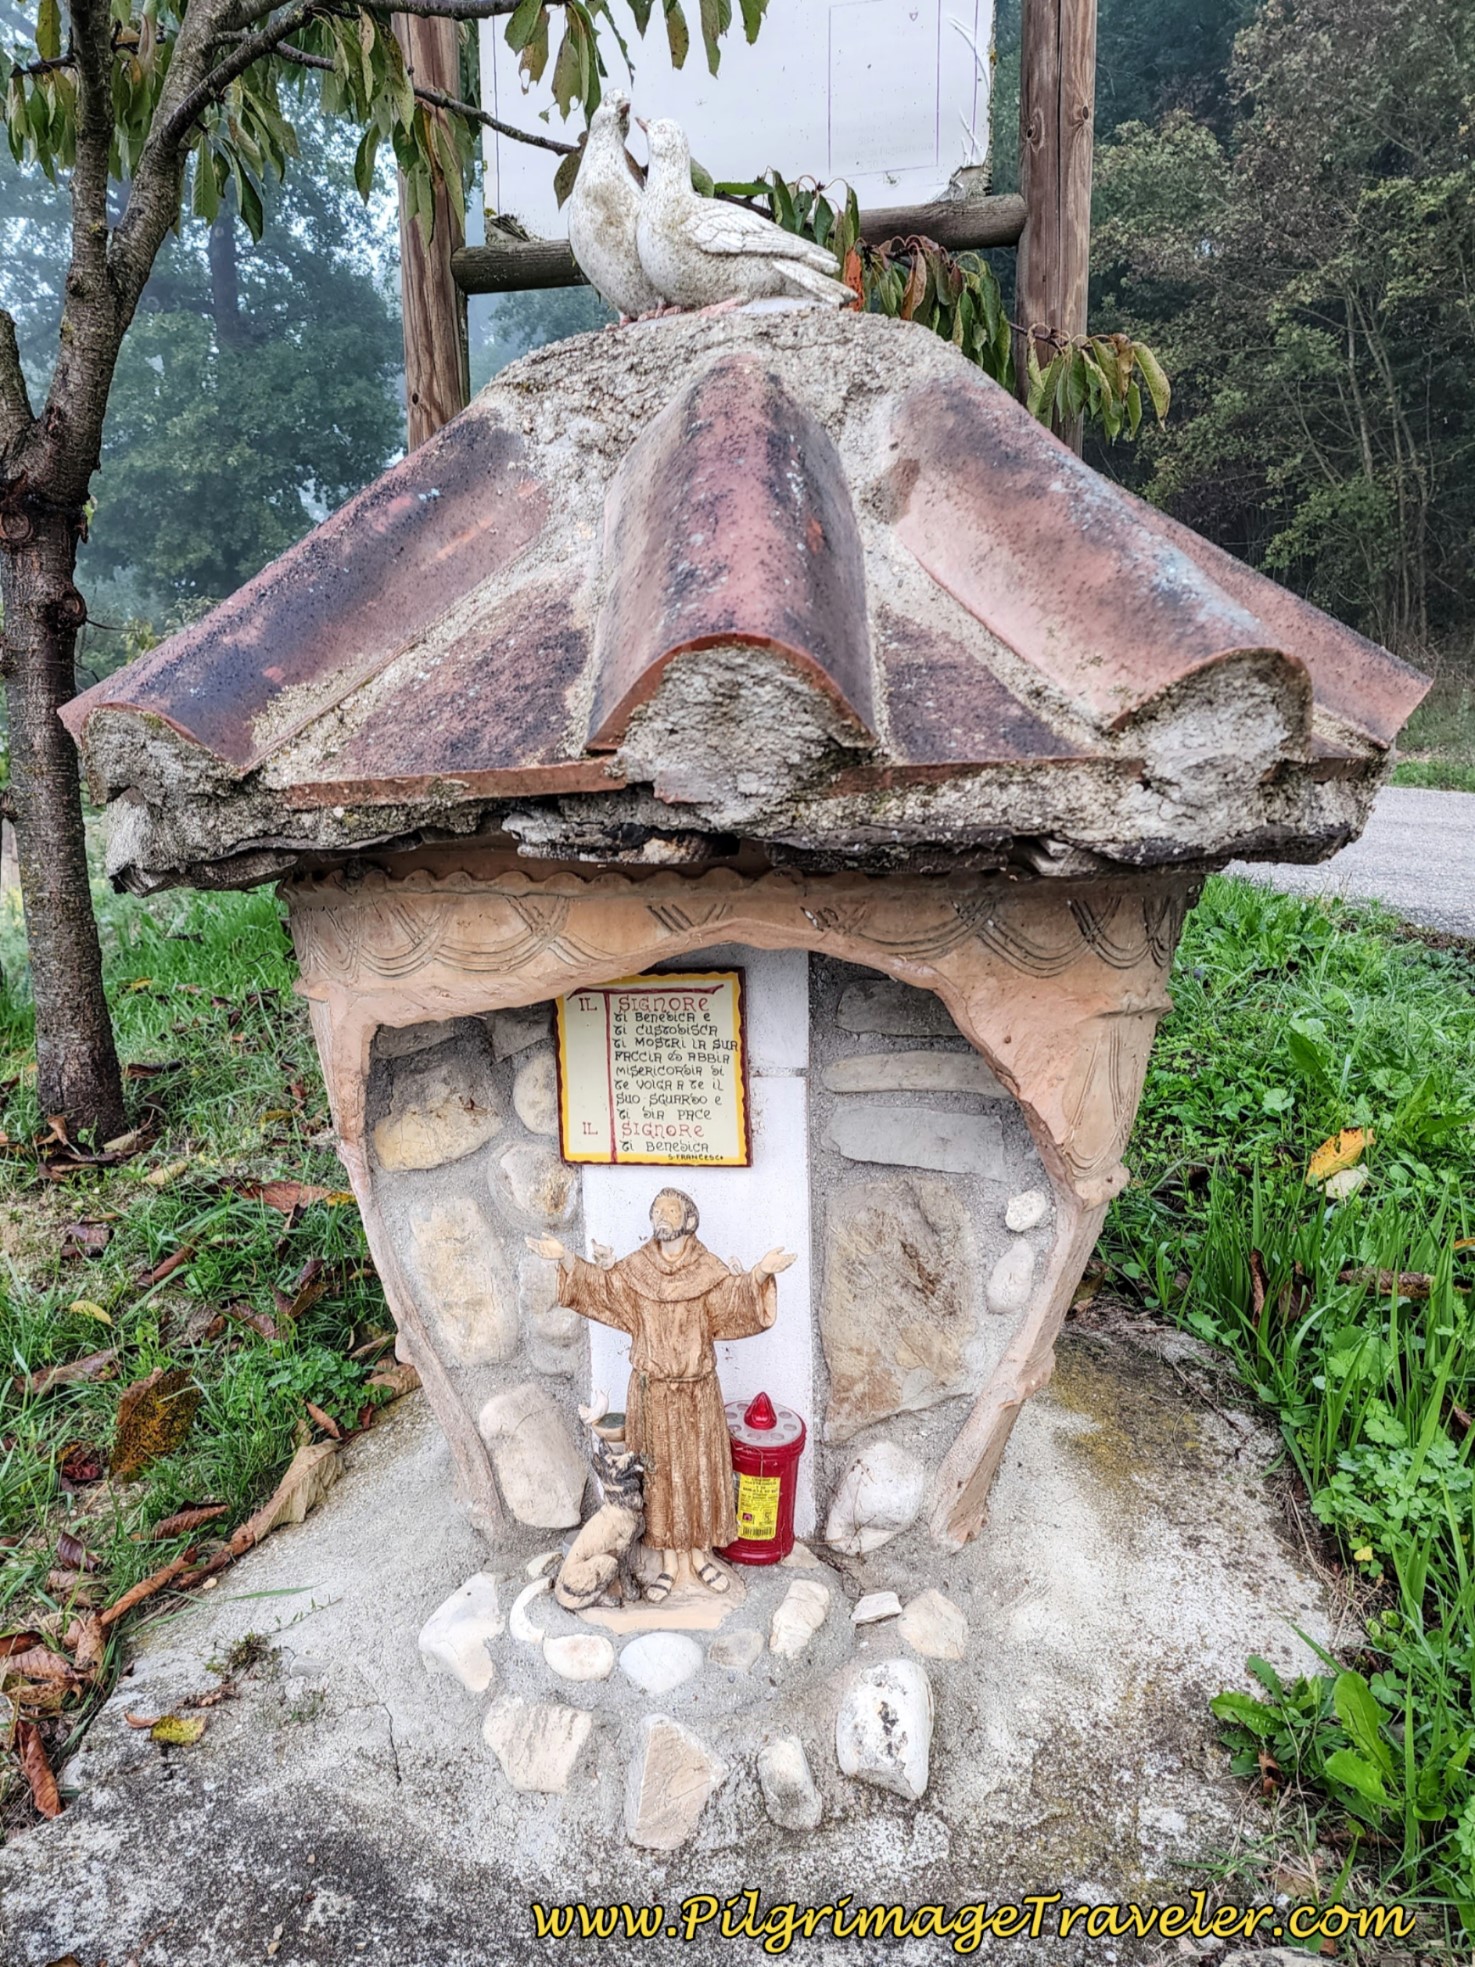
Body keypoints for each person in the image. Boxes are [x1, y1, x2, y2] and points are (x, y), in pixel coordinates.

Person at [527, 1188, 795, 1602]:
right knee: (661, 1479)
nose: (661, 1217)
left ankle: (701, 1557)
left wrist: (760, 1272)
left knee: (700, 1473)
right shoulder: (639, 1270)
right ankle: (669, 1565)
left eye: (670, 1210)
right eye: (657, 1211)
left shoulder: (707, 1271)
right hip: (652, 1394)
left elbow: (734, 1301)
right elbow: (603, 1288)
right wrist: (565, 1258)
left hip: (697, 1392)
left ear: (689, 1220)